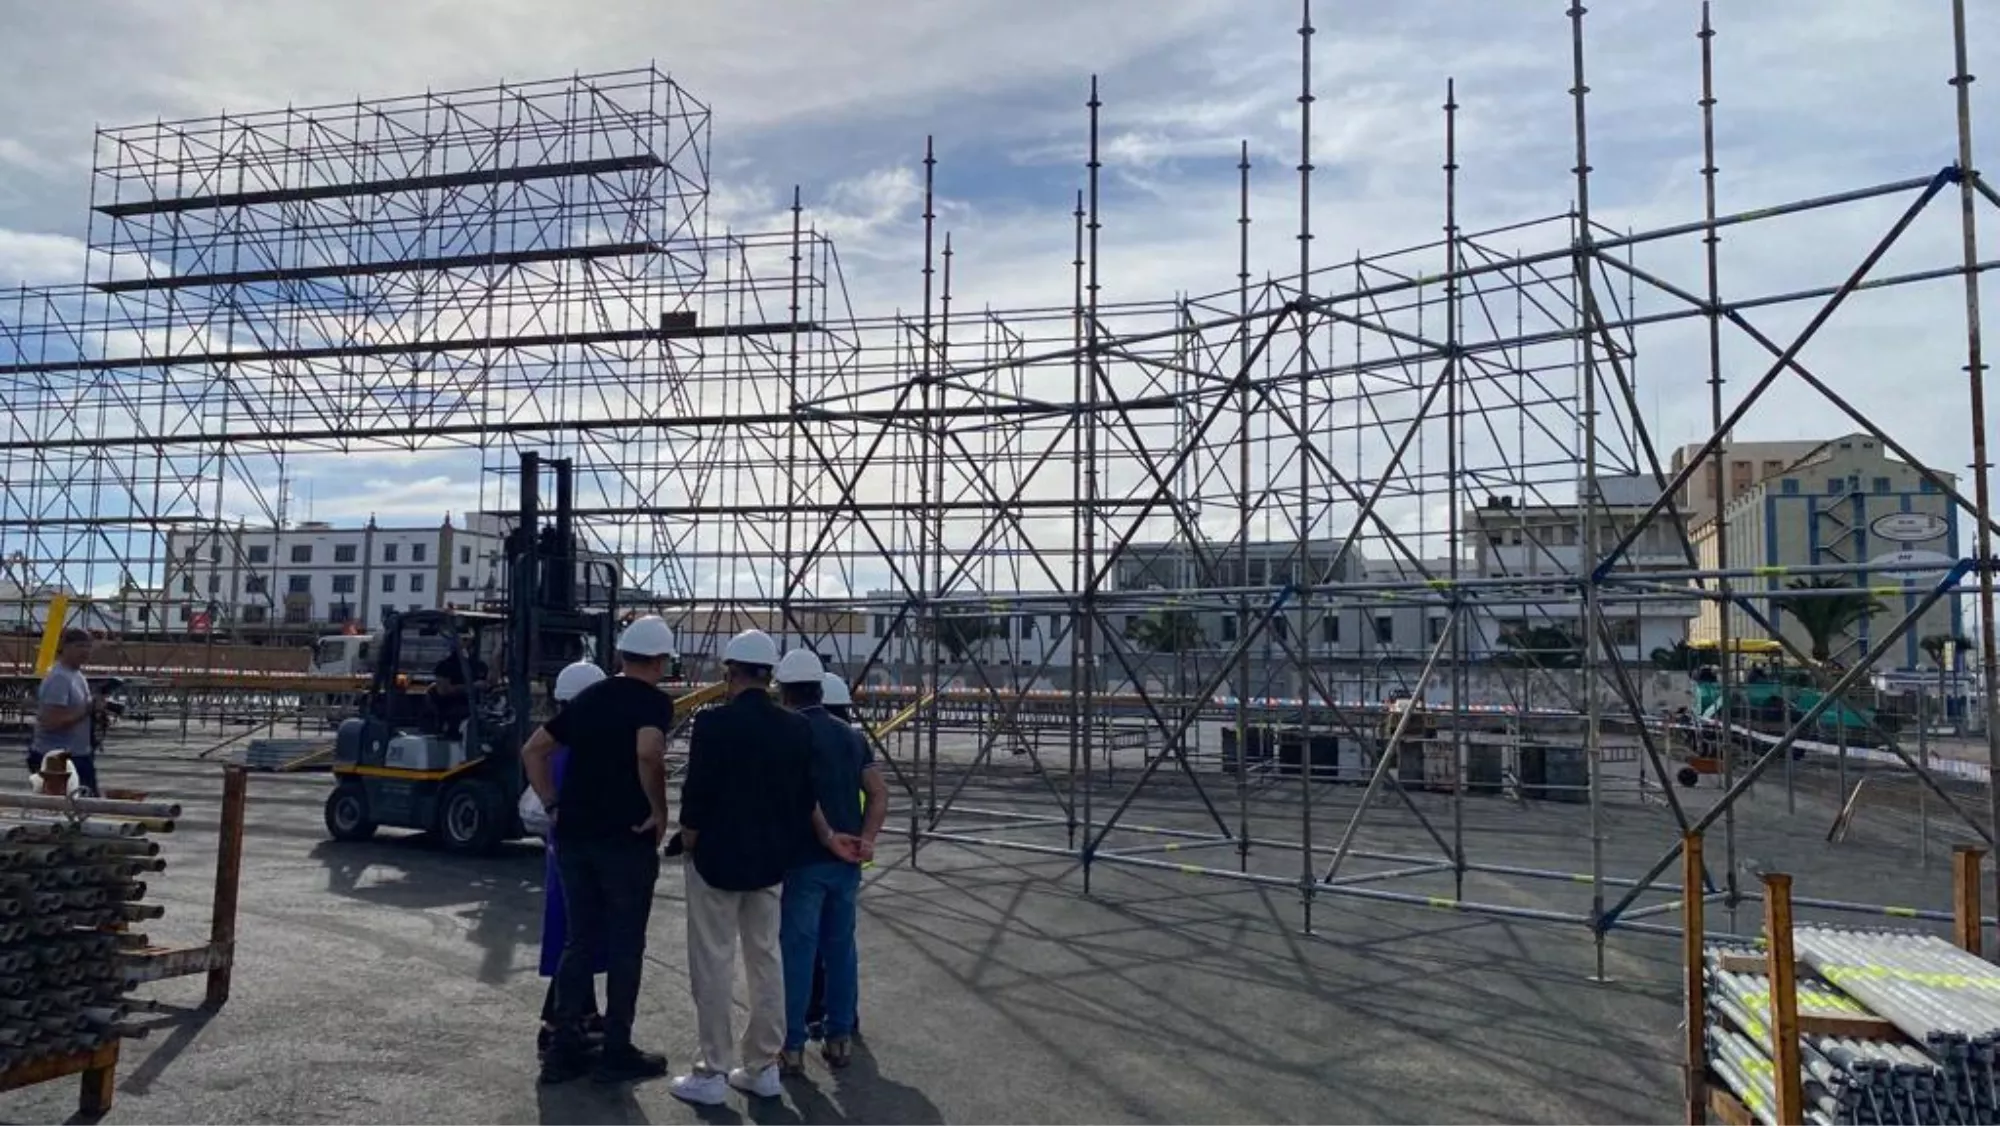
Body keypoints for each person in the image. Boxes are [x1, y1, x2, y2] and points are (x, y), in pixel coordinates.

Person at [669, 630, 831, 1106]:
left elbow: (696, 794)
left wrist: (688, 840)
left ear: (730, 671)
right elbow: (805, 797)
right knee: (766, 960)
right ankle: (762, 1065)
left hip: (717, 857)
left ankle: (713, 1071)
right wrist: (827, 837)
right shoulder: (796, 728)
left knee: (713, 962)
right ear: (772, 675)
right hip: (771, 861)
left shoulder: (713, 724)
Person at [523, 614, 677, 1086]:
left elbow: (534, 750)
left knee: (579, 940)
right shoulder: (652, 702)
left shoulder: (589, 698)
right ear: (659, 660)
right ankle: (615, 1050)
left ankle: (563, 1048)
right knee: (626, 945)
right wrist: (659, 808)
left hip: (574, 837)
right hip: (624, 838)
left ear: (623, 655)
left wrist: (552, 801)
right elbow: (648, 752)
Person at [775, 657, 886, 1074]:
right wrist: (868, 840)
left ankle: (791, 1045)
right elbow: (878, 792)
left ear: (784, 691)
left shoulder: (791, 734)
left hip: (803, 859)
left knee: (798, 952)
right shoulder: (852, 738)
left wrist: (824, 836)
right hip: (848, 865)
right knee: (841, 948)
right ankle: (839, 1038)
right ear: (820, 691)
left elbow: (799, 795)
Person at [534, 660, 609, 1058]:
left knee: (575, 936)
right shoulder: (574, 753)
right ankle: (555, 1023)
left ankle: (587, 1013)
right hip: (580, 856)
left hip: (561, 852)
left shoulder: (554, 748)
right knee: (577, 939)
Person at [30, 630, 98, 794]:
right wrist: (88, 709)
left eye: (88, 646)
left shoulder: (77, 675)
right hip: (57, 760)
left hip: (77, 754)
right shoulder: (59, 678)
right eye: (79, 646)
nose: (85, 651)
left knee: (85, 805)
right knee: (72, 806)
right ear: (64, 648)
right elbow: (52, 722)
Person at [430, 632, 490, 737]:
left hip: (478, 707)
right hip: (454, 709)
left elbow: (489, 683)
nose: (467, 643)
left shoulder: (479, 666)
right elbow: (443, 690)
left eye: (468, 639)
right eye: (463, 639)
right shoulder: (445, 666)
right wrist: (472, 687)